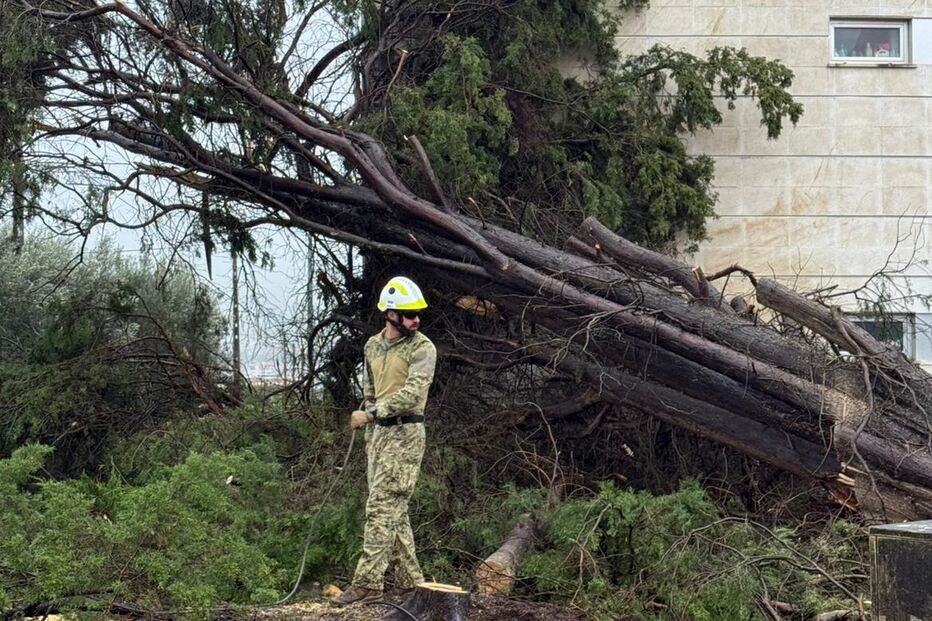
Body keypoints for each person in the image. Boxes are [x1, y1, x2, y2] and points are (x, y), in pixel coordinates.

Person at [333, 276, 437, 606]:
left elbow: (413, 393)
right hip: (378, 436)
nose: (415, 319)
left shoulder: (423, 348)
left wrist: (373, 412)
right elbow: (370, 390)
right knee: (395, 511)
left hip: (406, 434)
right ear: (390, 315)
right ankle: (411, 584)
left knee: (381, 508)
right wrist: (368, 415)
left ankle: (367, 583)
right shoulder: (373, 346)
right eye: (408, 314)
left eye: (417, 313)